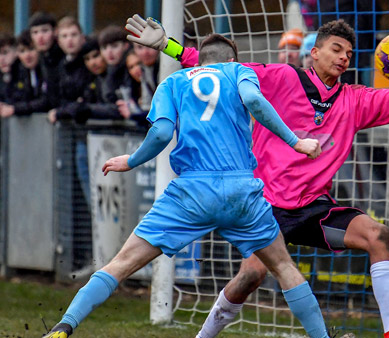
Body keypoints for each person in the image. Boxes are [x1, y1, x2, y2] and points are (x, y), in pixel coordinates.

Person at [126, 5, 389, 338]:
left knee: (378, 235)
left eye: (349, 53)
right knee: (251, 276)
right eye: (336, 49)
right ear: (313, 53)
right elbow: (217, 69)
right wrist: (167, 46)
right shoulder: (280, 77)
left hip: (313, 209)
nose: (344, 57)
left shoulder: (355, 101)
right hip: (265, 207)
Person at [42, 33, 330, 338]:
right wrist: (295, 141)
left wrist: (132, 161)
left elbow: (162, 133)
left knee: (122, 263)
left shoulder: (174, 81)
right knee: (283, 266)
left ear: (202, 59)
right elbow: (255, 100)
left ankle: (64, 326)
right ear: (232, 59)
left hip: (192, 193)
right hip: (241, 192)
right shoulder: (239, 71)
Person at [0, 29, 51, 117]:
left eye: (31, 49)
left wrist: (15, 108)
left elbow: (46, 100)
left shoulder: (45, 69)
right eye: (22, 51)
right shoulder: (18, 73)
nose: (27, 55)